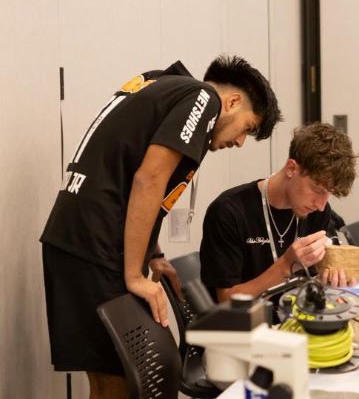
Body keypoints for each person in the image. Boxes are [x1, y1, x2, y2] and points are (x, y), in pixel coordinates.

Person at [39, 55, 281, 398]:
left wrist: (153, 255)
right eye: (248, 128)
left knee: (108, 378)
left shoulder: (159, 82)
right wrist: (135, 277)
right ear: (233, 101)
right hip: (97, 243)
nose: (240, 142)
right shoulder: (204, 98)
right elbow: (149, 178)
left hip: (75, 239)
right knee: (121, 381)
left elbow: (126, 164)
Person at [200, 123, 359, 302]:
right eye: (317, 189)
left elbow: (308, 286)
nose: (321, 205)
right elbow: (226, 301)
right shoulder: (228, 212)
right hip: (248, 326)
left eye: (329, 194)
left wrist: (325, 284)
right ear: (291, 168)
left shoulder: (317, 212)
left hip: (296, 320)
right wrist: (285, 266)